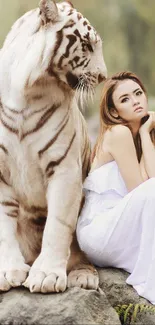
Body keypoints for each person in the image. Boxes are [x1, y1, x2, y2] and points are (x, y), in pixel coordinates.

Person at [76, 71, 155, 304]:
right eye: (125, 99)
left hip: (122, 226)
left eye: (138, 93)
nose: (136, 101)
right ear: (113, 112)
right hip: (98, 231)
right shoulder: (118, 133)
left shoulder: (141, 137)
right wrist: (143, 131)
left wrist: (144, 136)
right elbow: (142, 189)